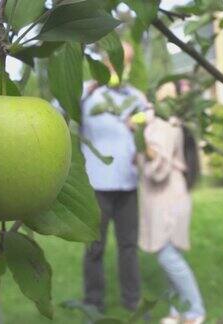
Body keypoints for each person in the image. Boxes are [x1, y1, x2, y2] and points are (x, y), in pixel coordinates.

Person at [80, 43, 148, 313]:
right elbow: (57, 109)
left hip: (128, 183)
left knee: (129, 247)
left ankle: (133, 301)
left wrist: (142, 119)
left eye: (128, 61)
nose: (122, 66)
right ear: (107, 61)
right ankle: (93, 303)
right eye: (119, 60)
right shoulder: (88, 92)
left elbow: (151, 122)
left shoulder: (135, 96)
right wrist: (93, 84)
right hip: (97, 185)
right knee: (94, 247)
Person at [135, 110, 206, 324]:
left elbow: (160, 165)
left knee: (167, 255)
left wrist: (137, 135)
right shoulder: (163, 125)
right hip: (164, 197)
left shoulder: (164, 126)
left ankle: (195, 311)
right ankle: (178, 311)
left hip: (168, 198)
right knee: (168, 257)